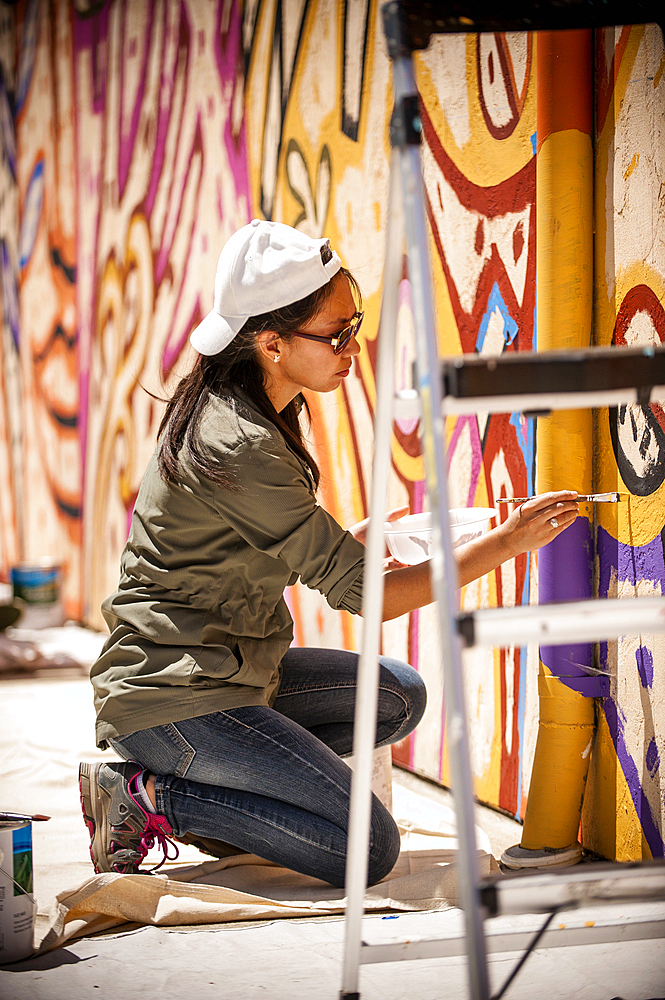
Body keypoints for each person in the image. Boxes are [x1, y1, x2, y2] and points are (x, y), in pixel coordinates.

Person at [79, 219, 579, 887]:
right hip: (173, 697)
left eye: (355, 324)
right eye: (336, 333)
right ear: (271, 343)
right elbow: (371, 598)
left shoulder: (257, 406)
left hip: (231, 671)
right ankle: (150, 798)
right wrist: (506, 543)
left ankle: (217, 804)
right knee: (365, 849)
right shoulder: (241, 441)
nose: (353, 346)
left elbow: (257, 547)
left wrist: (349, 543)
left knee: (394, 696)